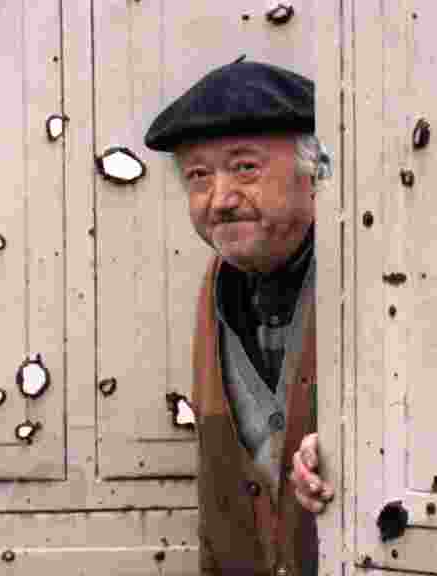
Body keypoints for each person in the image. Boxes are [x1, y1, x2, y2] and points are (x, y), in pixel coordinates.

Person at [144, 54, 335, 576]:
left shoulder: (377, 282)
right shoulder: (217, 287)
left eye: (245, 167)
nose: (220, 199)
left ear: (315, 172)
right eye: (199, 176)